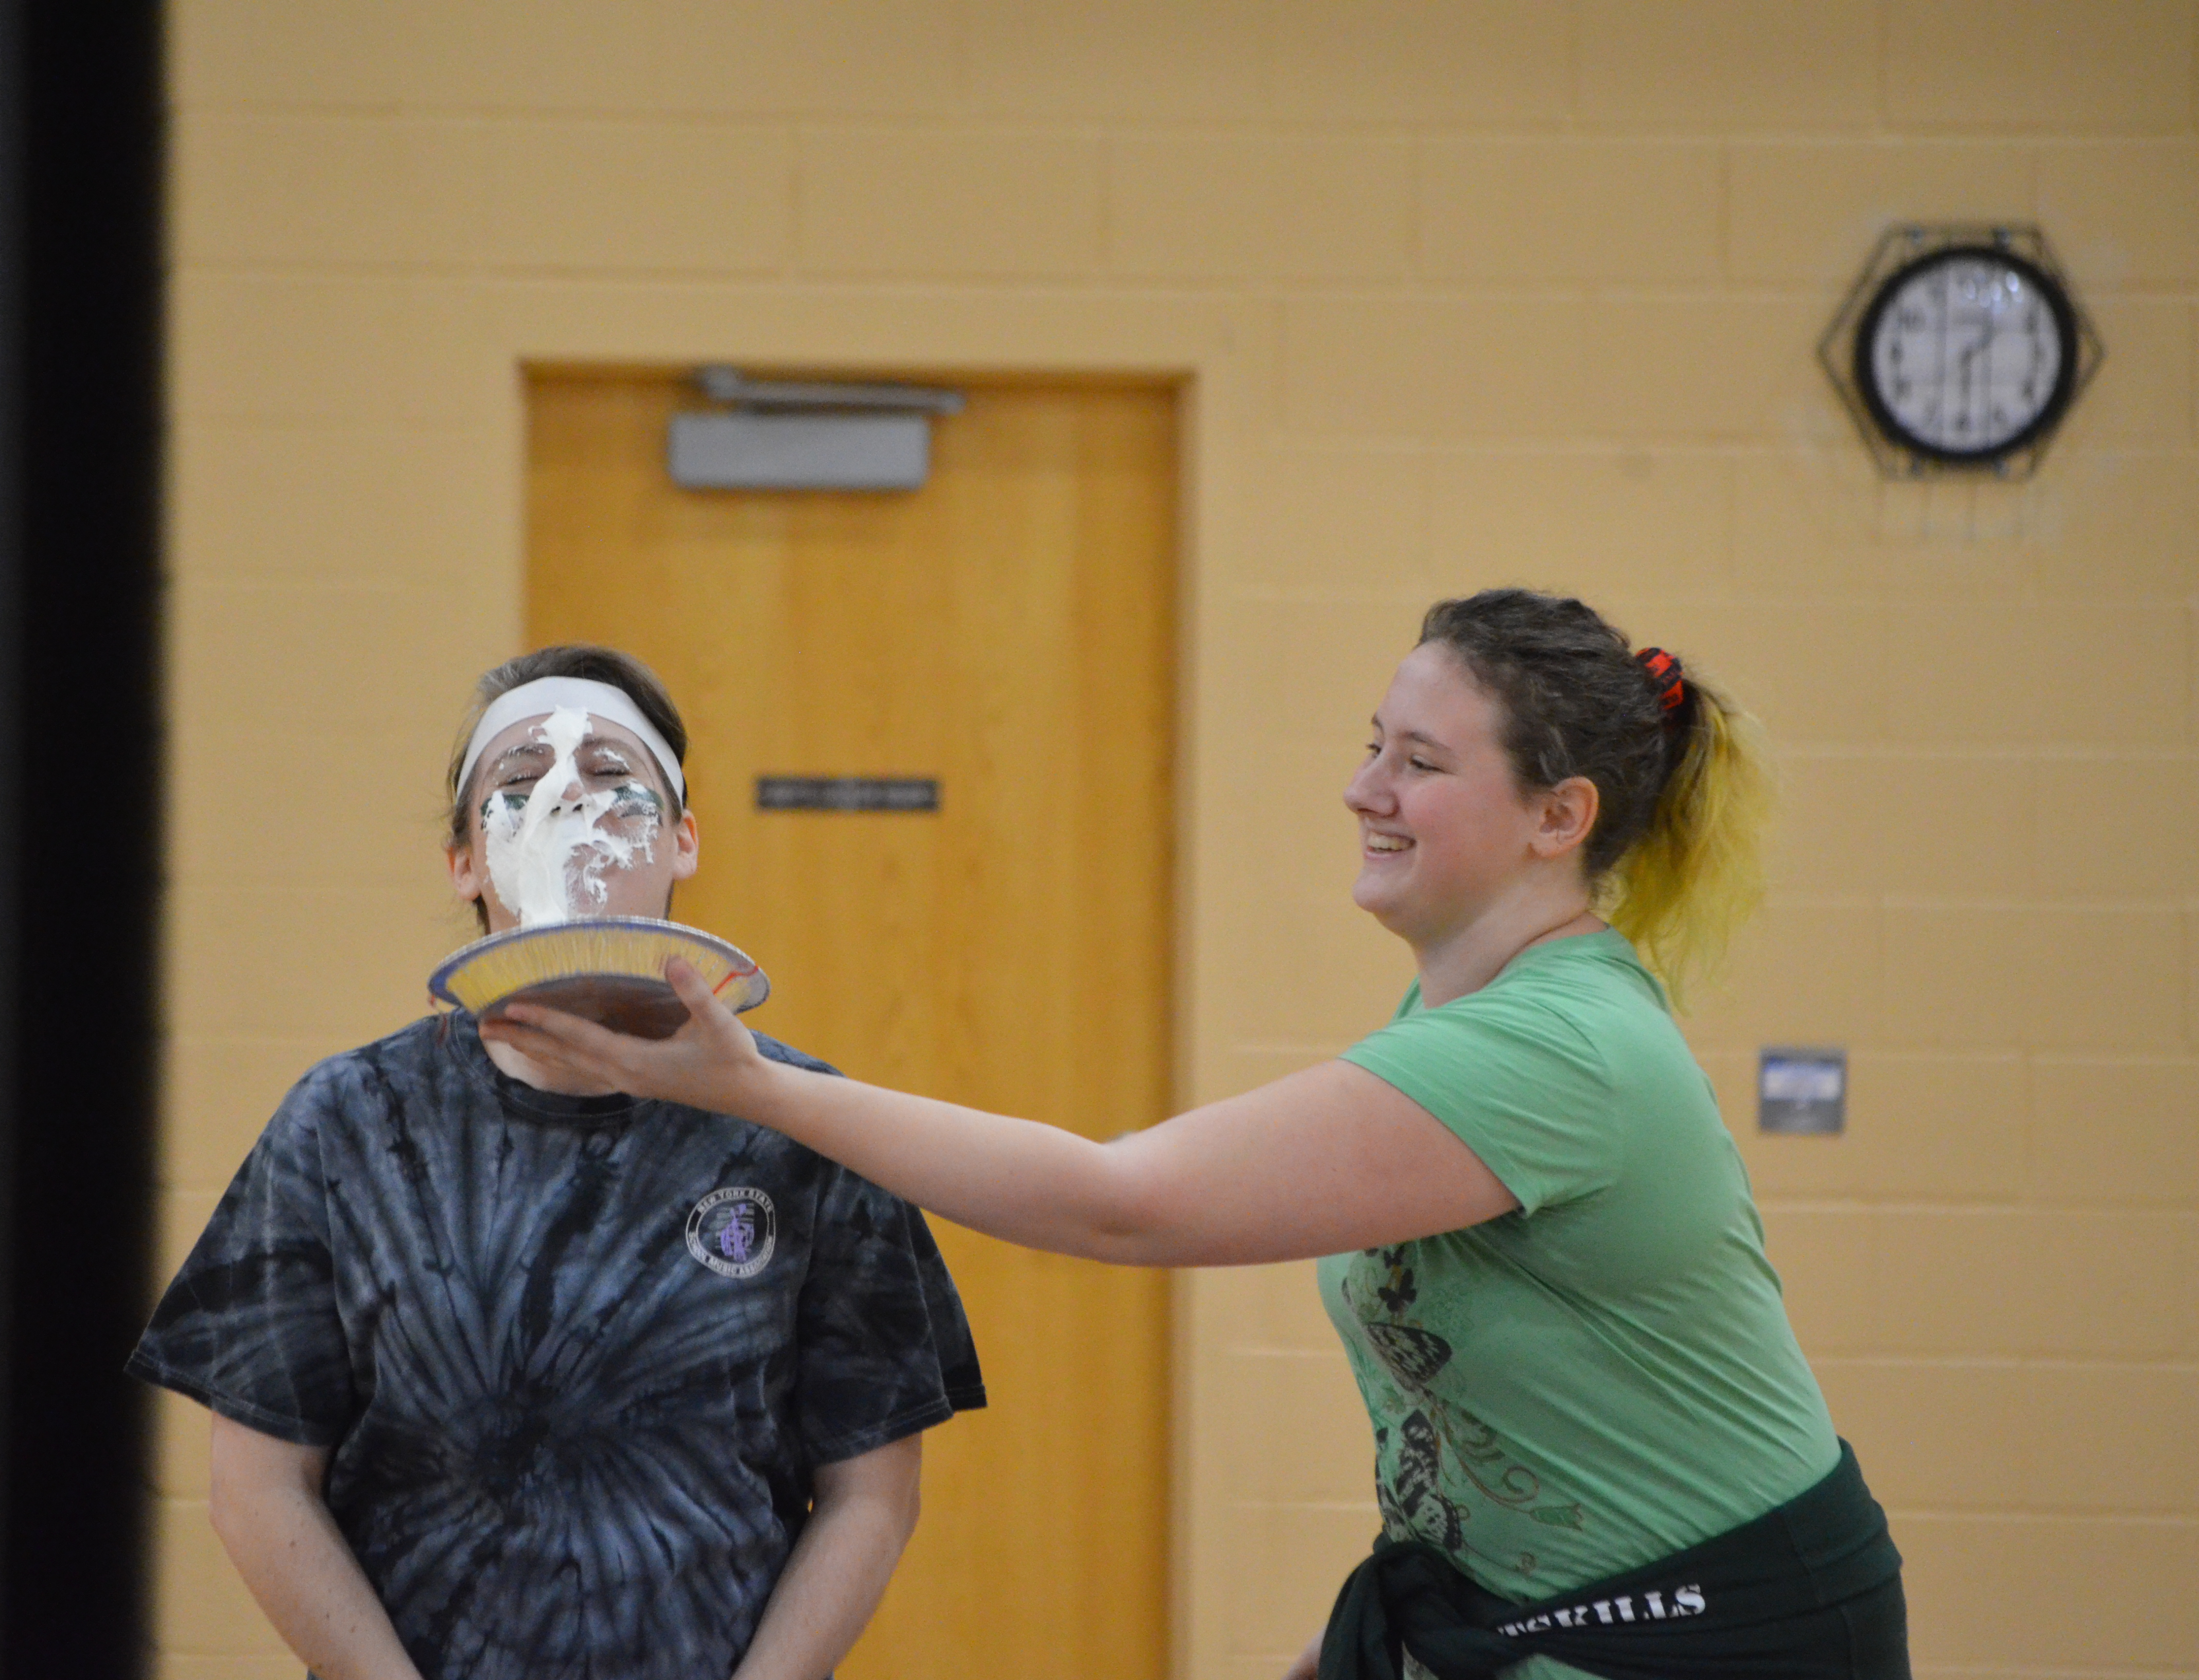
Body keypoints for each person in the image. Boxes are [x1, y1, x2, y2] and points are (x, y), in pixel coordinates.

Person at [499, 591, 1910, 1680]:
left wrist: (758, 1089)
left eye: (1418, 762)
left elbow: (1125, 1204)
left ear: (1561, 816)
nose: (1364, 789)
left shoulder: (1555, 1050)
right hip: (1519, 1614)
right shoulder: (1473, 1013)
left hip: (1719, 1625)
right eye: (1372, 745)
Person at [128, 644, 985, 1680]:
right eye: (520, 788)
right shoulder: (345, 1124)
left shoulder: (806, 1130)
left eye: (615, 783)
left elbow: (871, 1491)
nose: (570, 807)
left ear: (684, 841)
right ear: (464, 862)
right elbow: (256, 1489)